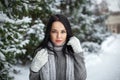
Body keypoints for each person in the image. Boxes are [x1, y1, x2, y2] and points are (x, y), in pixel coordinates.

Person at [29, 14, 87, 80]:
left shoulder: (73, 50)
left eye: (63, 32)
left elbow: (81, 78)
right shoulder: (41, 53)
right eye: (54, 32)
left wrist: (79, 53)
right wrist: (34, 70)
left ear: (67, 33)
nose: (59, 36)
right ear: (49, 32)